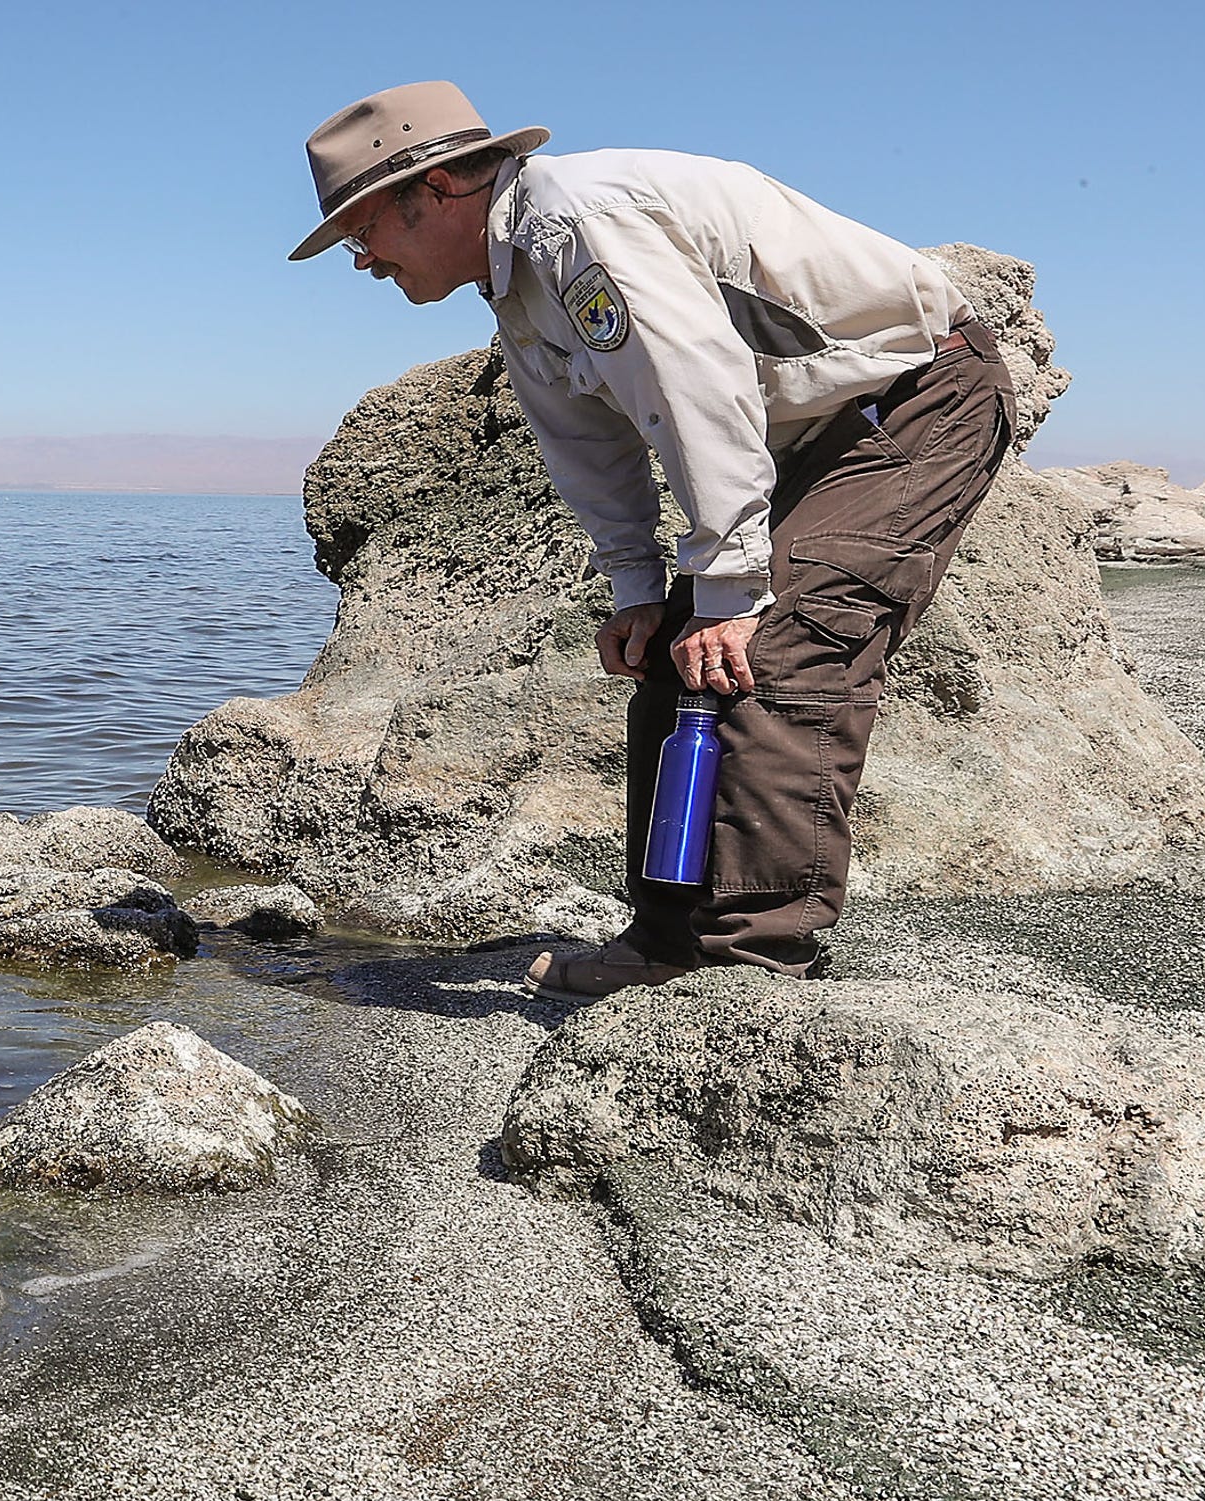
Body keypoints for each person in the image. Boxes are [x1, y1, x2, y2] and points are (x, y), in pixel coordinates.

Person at [287, 81, 1012, 999]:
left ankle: (750, 964)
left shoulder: (578, 224)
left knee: (778, 651)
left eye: (361, 229)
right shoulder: (517, 279)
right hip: (808, 433)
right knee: (678, 657)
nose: (360, 260)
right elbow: (587, 443)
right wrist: (638, 588)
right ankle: (666, 942)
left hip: (914, 399)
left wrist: (729, 581)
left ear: (432, 192)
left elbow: (695, 386)